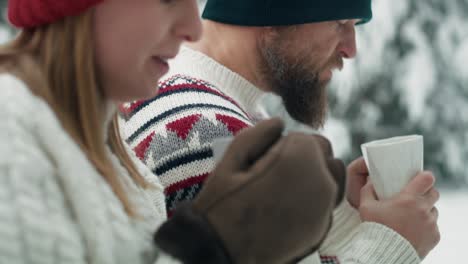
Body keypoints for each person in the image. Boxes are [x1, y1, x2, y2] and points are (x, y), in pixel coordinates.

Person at [0, 0, 348, 263]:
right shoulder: (10, 140)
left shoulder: (117, 165)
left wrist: (346, 219)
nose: (193, 29)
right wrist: (214, 247)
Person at [119, 0, 441, 263]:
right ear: (271, 13)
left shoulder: (209, 106)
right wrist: (394, 243)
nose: (351, 49)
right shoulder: (202, 130)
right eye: (340, 23)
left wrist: (339, 215)